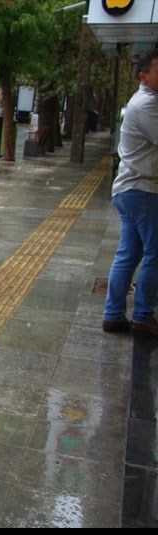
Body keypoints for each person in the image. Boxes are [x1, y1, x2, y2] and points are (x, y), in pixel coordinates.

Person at [103, 49, 158, 335]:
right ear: (143, 76)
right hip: (143, 190)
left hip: (131, 188)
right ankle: (143, 316)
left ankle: (113, 314)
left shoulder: (144, 101)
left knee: (129, 253)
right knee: (154, 255)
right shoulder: (147, 104)